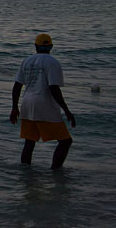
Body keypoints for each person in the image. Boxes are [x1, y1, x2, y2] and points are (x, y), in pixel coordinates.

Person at [10, 33, 76, 169]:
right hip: (45, 105)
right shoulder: (53, 62)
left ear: (35, 46)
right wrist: (66, 110)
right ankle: (56, 172)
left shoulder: (27, 61)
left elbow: (17, 86)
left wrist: (14, 107)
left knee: (29, 142)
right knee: (65, 142)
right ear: (51, 46)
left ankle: (25, 172)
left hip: (27, 104)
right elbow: (53, 88)